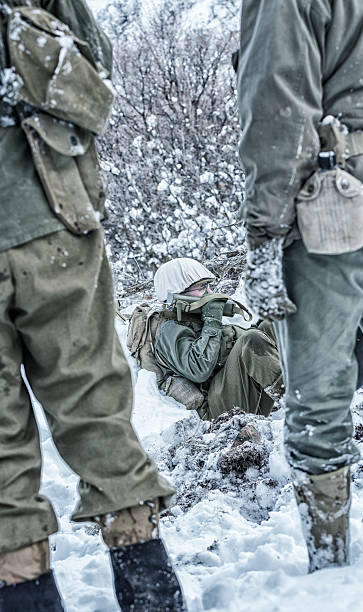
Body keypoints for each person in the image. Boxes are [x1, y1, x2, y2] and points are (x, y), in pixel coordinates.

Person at [0, 1, 185, 610]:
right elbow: (93, 65)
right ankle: (149, 587)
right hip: (49, 212)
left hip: (48, 212)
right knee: (94, 405)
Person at [238, 0, 363, 573]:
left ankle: (331, 574)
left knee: (317, 402)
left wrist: (263, 233)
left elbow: (277, 103)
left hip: (329, 210)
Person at [152, 257, 283, 420]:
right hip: (215, 414)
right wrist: (212, 321)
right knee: (252, 339)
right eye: (202, 288)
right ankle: (300, 401)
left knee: (273, 325)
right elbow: (198, 370)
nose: (210, 293)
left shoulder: (195, 318)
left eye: (208, 286)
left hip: (236, 393)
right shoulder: (170, 329)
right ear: (178, 294)